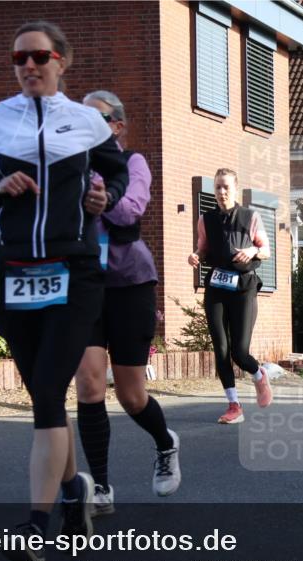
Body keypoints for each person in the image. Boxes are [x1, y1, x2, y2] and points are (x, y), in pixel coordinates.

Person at [0, 21, 130, 561]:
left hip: (73, 273)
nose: (28, 66)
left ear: (63, 62)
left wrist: (105, 196)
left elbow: (116, 176)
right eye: (19, 58)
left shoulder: (85, 122)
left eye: (38, 56)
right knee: (44, 394)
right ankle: (75, 488)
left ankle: (35, 526)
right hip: (13, 273)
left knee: (50, 391)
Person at [74, 90, 179, 515]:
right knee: (89, 384)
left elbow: (130, 210)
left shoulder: (133, 162)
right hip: (85, 284)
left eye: (95, 119)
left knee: (132, 396)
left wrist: (101, 196)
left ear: (117, 126)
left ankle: (166, 442)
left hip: (130, 283)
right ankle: (100, 486)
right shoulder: (70, 163)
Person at [187, 168, 273, 424]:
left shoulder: (250, 216)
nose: (222, 192)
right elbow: (203, 249)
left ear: (235, 189)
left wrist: (251, 251)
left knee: (239, 351)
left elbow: (266, 250)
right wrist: (195, 256)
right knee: (221, 348)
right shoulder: (206, 219)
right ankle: (234, 405)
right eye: (217, 188)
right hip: (217, 285)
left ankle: (258, 375)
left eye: (226, 187)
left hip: (244, 286)